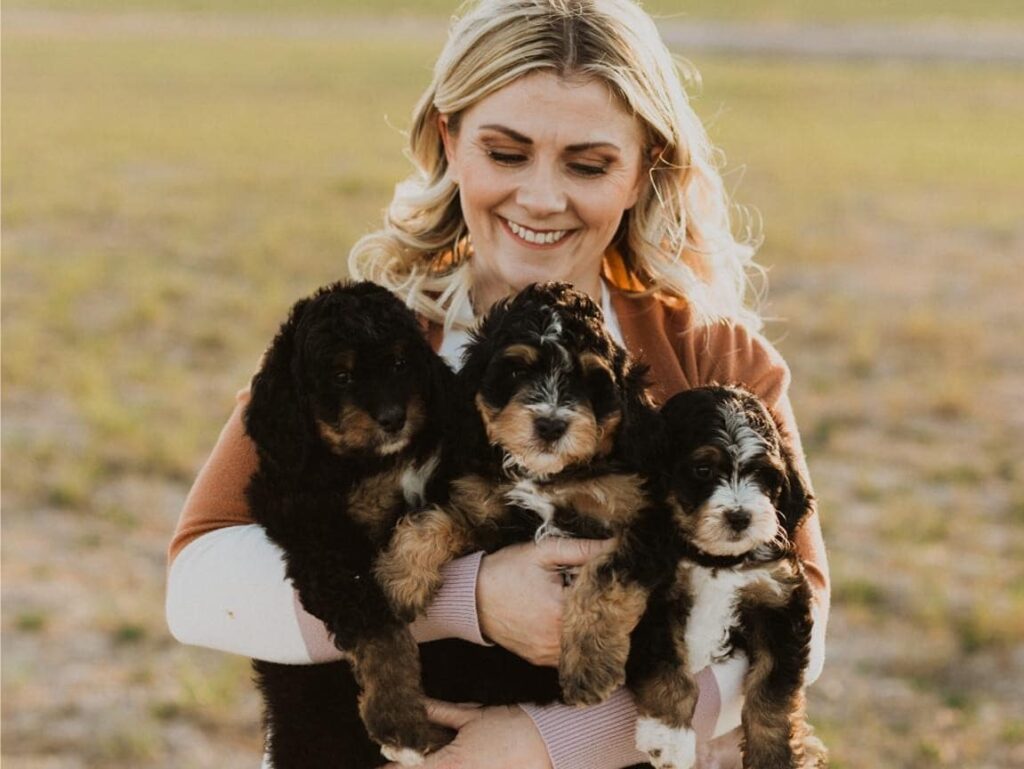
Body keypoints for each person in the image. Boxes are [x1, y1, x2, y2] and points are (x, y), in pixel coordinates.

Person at [166, 1, 830, 767]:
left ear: (644, 167)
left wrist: (549, 744)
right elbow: (197, 583)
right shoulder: (368, 343)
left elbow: (800, 614)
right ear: (449, 140)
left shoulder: (710, 355)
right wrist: (468, 597)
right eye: (506, 153)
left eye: (588, 164)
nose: (542, 198)